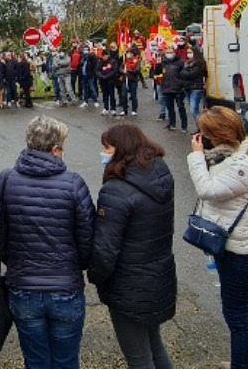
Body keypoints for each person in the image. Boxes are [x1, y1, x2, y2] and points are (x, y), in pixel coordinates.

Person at [0, 116, 96, 369]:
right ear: (56, 150)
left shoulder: (5, 180)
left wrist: (12, 259)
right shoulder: (73, 183)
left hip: (23, 286)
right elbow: (88, 237)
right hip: (65, 287)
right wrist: (75, 265)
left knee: (35, 362)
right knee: (66, 361)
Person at [187, 108, 248, 369]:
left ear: (217, 134)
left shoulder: (243, 165)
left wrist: (197, 157)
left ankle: (241, 364)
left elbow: (207, 190)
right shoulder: (233, 157)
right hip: (231, 243)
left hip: (239, 249)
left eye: (206, 132)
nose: (201, 137)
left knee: (235, 314)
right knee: (243, 304)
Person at [89, 124, 176, 369]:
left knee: (138, 357)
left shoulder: (117, 191)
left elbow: (106, 250)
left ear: (120, 149)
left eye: (107, 147)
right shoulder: (159, 175)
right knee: (154, 345)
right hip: (158, 276)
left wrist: (95, 276)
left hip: (129, 285)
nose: (103, 152)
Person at [161, 46, 188, 132]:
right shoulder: (163, 62)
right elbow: (158, 73)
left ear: (174, 53)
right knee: (170, 108)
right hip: (167, 88)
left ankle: (184, 125)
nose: (169, 54)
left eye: (171, 52)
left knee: (181, 107)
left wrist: (182, 85)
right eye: (167, 52)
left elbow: (184, 75)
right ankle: (172, 124)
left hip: (178, 88)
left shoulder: (180, 62)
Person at [181, 48, 208, 121]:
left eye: (190, 52)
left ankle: (203, 126)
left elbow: (191, 74)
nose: (188, 54)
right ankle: (200, 128)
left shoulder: (200, 63)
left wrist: (184, 72)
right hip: (188, 87)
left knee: (194, 109)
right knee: (192, 110)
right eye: (187, 52)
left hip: (196, 88)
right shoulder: (187, 63)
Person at [96, 48, 119, 116]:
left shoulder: (112, 61)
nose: (105, 57)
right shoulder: (100, 61)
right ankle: (105, 108)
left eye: (106, 56)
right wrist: (101, 76)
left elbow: (114, 71)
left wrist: (107, 76)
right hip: (103, 81)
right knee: (105, 95)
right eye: (103, 56)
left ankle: (113, 109)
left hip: (110, 81)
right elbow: (97, 70)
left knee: (112, 95)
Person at [120, 48, 142, 117]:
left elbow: (137, 70)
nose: (128, 55)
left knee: (133, 95)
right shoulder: (124, 61)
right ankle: (124, 109)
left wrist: (128, 71)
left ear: (133, 54)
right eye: (127, 53)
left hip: (133, 80)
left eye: (130, 53)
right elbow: (120, 68)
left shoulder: (137, 61)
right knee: (124, 95)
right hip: (125, 79)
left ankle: (134, 110)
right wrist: (123, 71)